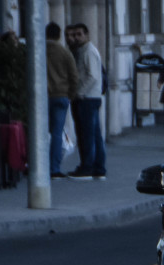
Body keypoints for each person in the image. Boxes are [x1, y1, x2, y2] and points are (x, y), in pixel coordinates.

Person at [66, 23, 106, 180]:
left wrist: (79, 93)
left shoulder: (88, 51)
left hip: (87, 98)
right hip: (90, 97)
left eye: (79, 34)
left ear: (86, 35)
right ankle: (98, 167)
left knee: (87, 134)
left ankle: (87, 167)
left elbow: (93, 76)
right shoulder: (81, 51)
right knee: (93, 134)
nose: (75, 37)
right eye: (73, 35)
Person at [45, 22, 78, 177]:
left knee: (41, 133)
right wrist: (70, 95)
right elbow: (74, 76)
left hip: (43, 97)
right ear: (59, 35)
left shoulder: (38, 50)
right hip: (61, 96)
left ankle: (39, 165)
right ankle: (54, 168)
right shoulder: (65, 53)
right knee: (57, 133)